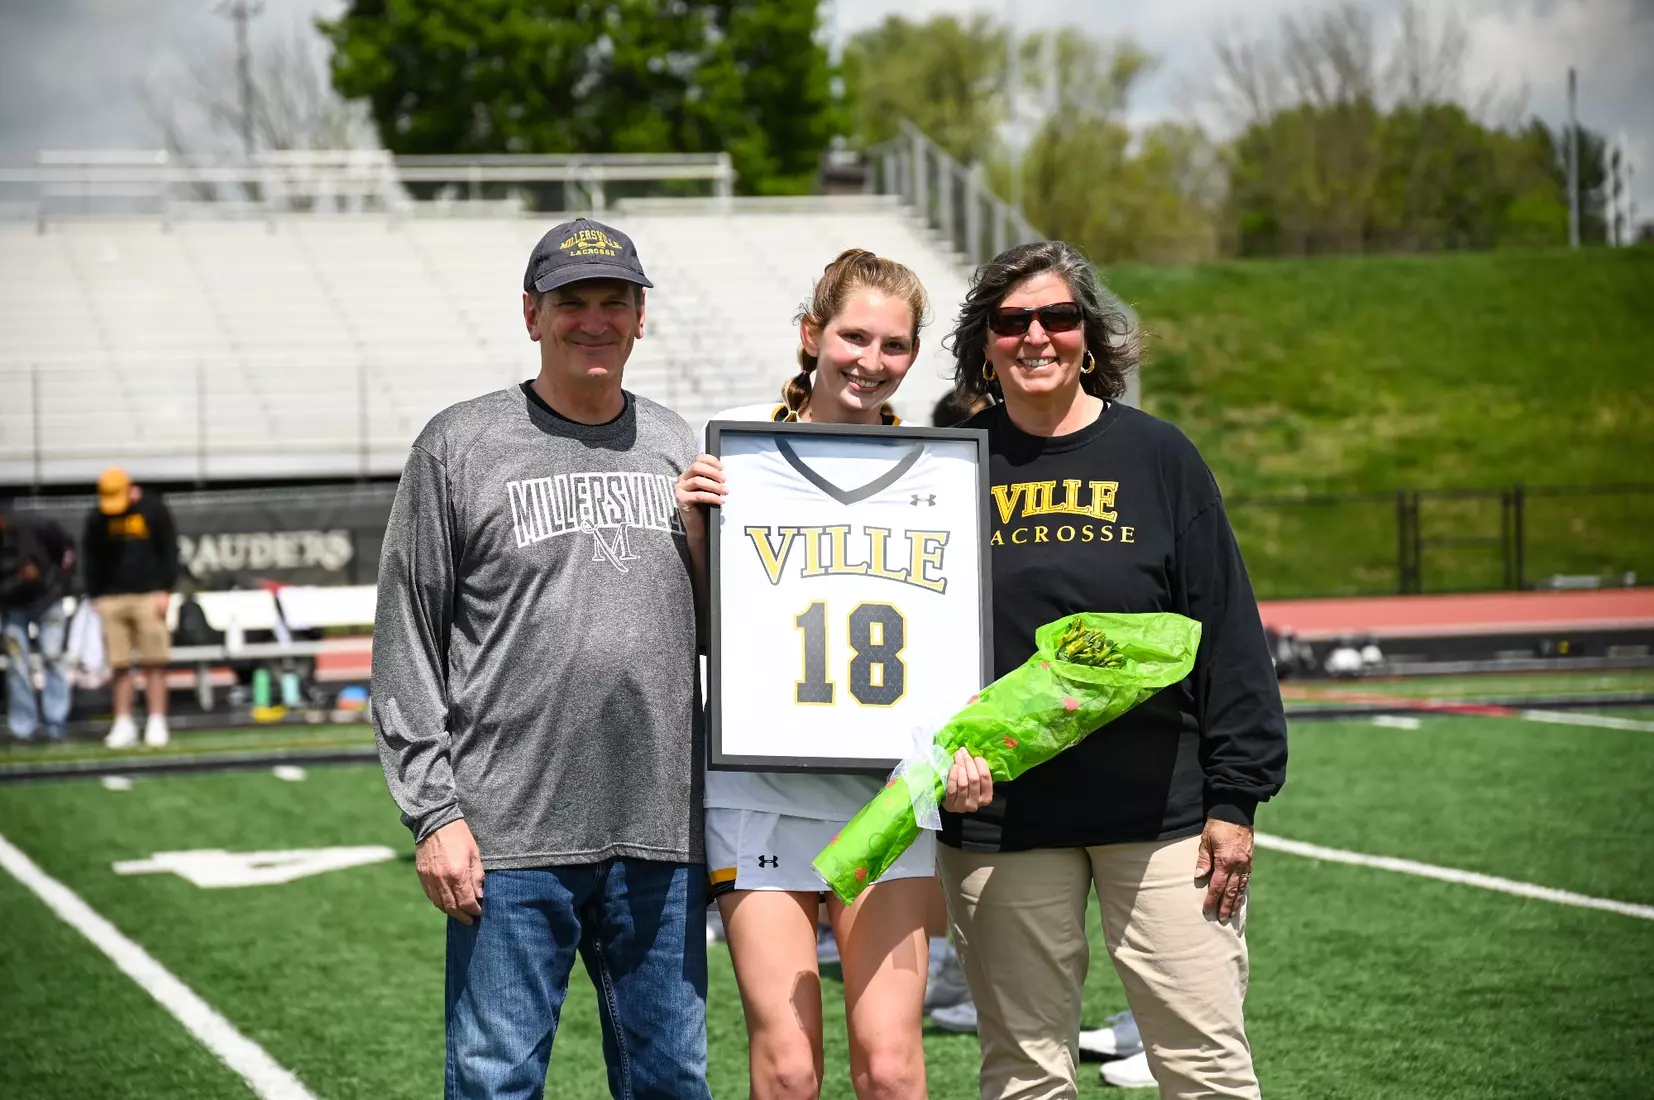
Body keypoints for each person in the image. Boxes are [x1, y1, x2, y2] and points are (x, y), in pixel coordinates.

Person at [935, 240, 1289, 1100]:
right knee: (1025, 1074)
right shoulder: (946, 465)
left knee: (1205, 1067)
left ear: (1089, 336)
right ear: (985, 343)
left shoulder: (1160, 457)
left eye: (1057, 317)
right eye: (1011, 322)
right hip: (1002, 817)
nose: (1036, 338)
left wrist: (1234, 799)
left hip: (1161, 813)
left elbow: (1228, 632)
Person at [372, 218, 712, 1100]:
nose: (593, 320)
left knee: (672, 1081)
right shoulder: (459, 445)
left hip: (662, 834)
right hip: (506, 834)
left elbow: (727, 630)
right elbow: (406, 635)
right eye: (571, 302)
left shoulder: (681, 445)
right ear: (532, 314)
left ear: (642, 319)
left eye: (614, 302)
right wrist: (433, 811)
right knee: (494, 1084)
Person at [674, 249, 939, 1100]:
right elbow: (710, 623)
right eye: (853, 335)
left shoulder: (937, 472)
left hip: (887, 790)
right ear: (811, 334)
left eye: (894, 345)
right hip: (759, 783)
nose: (871, 361)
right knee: (788, 1070)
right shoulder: (739, 442)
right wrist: (695, 529)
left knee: (891, 1067)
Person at [82, 468, 178, 748]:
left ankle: (157, 720)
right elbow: (91, 556)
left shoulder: (152, 509)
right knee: (119, 664)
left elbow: (169, 549)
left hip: (149, 594)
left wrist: (165, 589)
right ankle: (123, 722)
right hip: (112, 599)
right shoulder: (98, 517)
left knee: (154, 661)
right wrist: (96, 595)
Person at [1, 507, 77, 743]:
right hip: (11, 606)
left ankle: (56, 726)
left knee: (52, 656)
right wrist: (17, 580)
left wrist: (58, 583)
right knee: (16, 664)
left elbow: (68, 551)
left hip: (47, 601)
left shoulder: (33, 525)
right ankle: (23, 728)